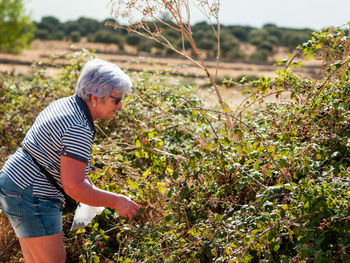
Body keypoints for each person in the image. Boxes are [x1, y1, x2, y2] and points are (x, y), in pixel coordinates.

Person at [0, 58, 140, 262]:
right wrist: (117, 201)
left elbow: (57, 157)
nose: (120, 106)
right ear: (94, 97)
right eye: (116, 100)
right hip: (33, 194)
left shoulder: (66, 105)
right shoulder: (78, 127)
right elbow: (73, 187)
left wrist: (86, 182)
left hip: (17, 185)